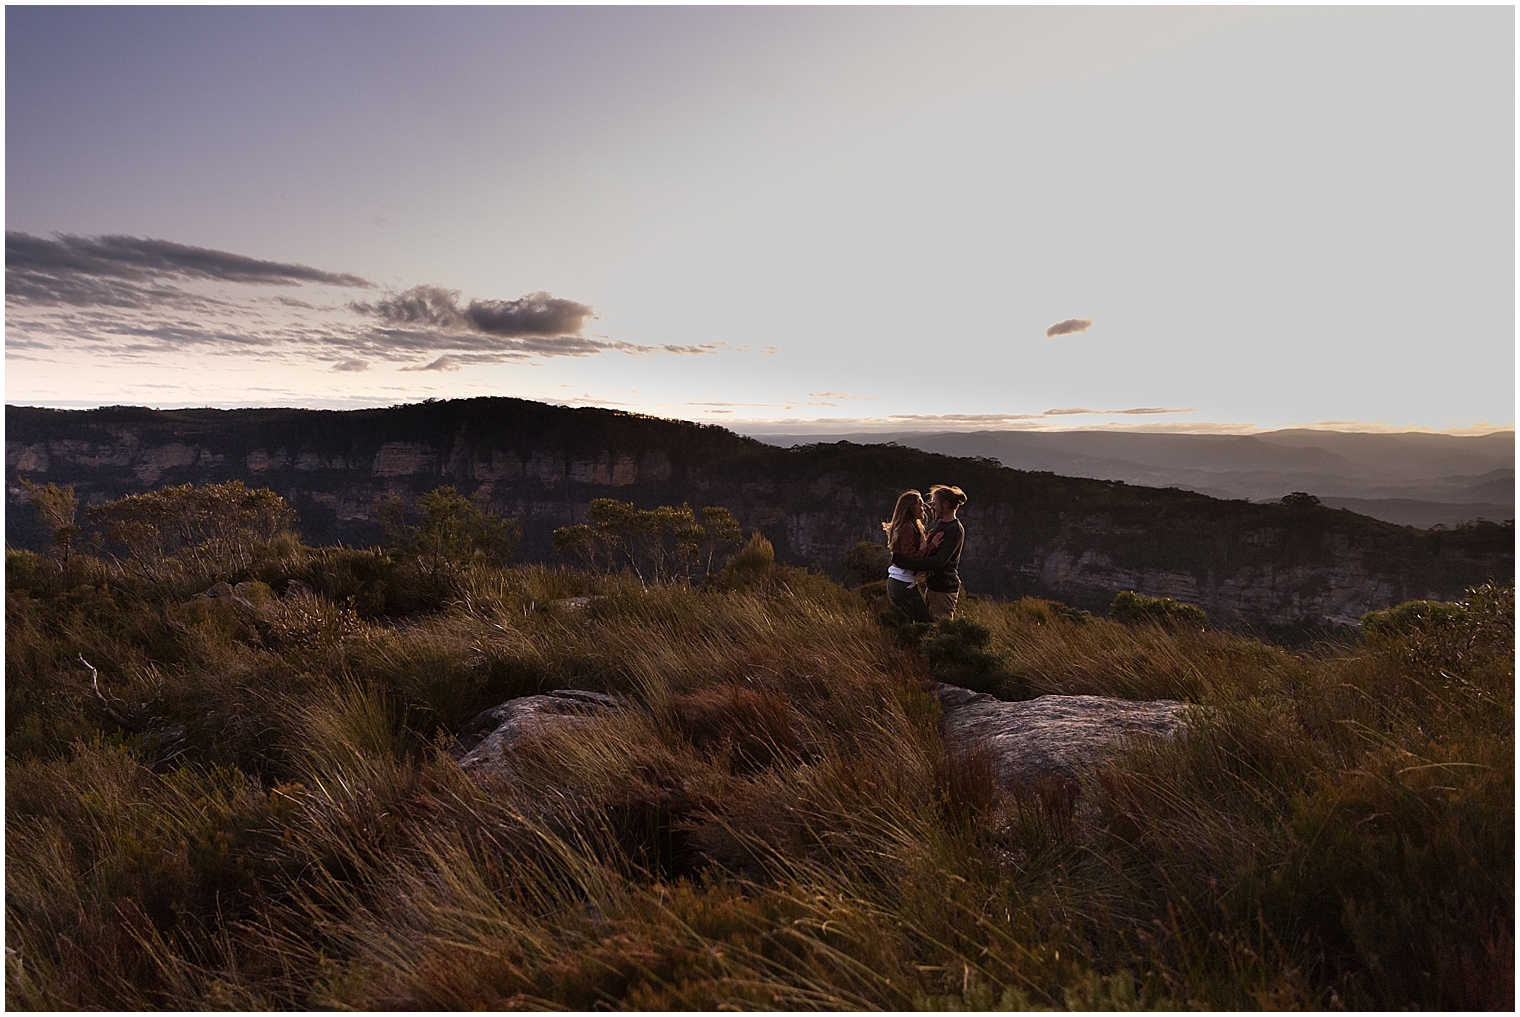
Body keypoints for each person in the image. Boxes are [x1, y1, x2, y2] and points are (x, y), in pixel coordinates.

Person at [891, 484, 966, 621]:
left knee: (938, 630)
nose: (931, 507)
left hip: (944, 588)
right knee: (927, 626)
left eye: (934, 503)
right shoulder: (941, 524)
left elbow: (938, 561)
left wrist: (906, 562)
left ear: (945, 504)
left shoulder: (954, 530)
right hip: (933, 587)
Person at [881, 489, 941, 623]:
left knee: (904, 622)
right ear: (910, 507)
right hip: (902, 581)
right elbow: (911, 557)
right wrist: (933, 546)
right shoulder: (907, 527)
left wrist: (927, 541)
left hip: (897, 580)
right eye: (920, 503)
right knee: (924, 623)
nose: (924, 507)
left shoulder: (909, 526)